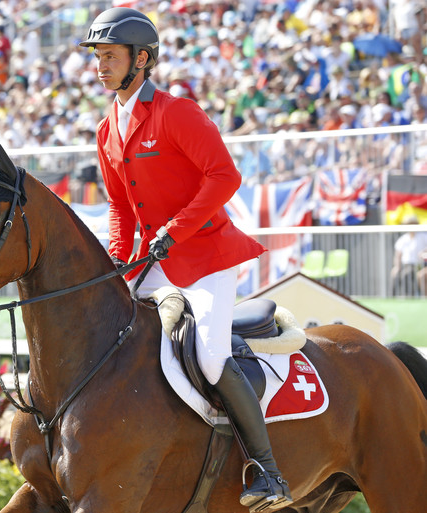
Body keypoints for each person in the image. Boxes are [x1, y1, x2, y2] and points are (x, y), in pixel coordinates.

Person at [79, 7, 291, 510]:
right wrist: (114, 263)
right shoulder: (106, 129)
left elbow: (224, 177)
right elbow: (119, 208)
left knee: (210, 356)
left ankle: (267, 470)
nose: (100, 66)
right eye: (98, 57)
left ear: (142, 59)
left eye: (110, 56)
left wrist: (175, 230)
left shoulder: (178, 113)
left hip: (206, 258)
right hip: (153, 262)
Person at [391, 215, 427, 296]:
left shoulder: (424, 236)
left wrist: (424, 253)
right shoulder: (403, 239)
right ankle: (393, 297)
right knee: (395, 274)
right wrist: (397, 267)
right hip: (406, 265)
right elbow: (398, 255)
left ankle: (410, 296)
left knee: (407, 274)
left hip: (420, 265)